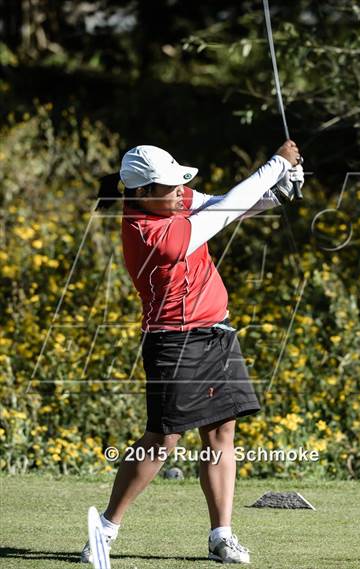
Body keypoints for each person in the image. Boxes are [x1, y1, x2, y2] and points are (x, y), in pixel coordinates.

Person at [81, 141, 303, 565]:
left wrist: (277, 191)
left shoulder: (169, 201)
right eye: (169, 187)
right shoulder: (151, 233)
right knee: (162, 439)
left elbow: (227, 204)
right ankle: (105, 531)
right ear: (142, 193)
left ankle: (221, 535)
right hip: (174, 341)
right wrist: (275, 164)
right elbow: (221, 215)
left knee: (222, 434)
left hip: (216, 332)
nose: (180, 191)